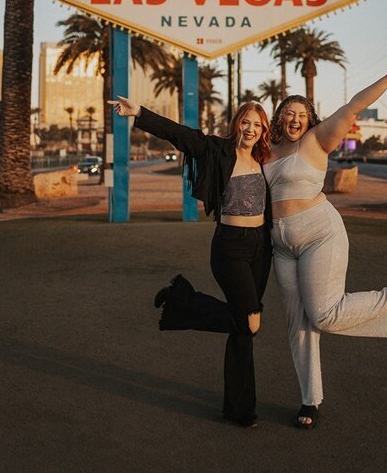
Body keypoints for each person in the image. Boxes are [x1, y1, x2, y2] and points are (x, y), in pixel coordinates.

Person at [263, 54, 387, 429]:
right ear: (278, 119)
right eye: (288, 113)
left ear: (309, 119)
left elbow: (354, 105)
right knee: (298, 324)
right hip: (281, 245)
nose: (294, 119)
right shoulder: (267, 153)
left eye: (300, 114)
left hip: (320, 232)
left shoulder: (316, 141)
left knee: (323, 314)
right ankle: (310, 400)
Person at [108, 96, 273, 429]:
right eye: (246, 122)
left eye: (257, 124)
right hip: (230, 247)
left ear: (264, 129)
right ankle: (182, 300)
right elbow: (179, 134)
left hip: (261, 247)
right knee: (250, 321)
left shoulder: (267, 159)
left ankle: (239, 410)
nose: (251, 129)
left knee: (243, 330)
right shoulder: (218, 149)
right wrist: (139, 112)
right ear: (236, 123)